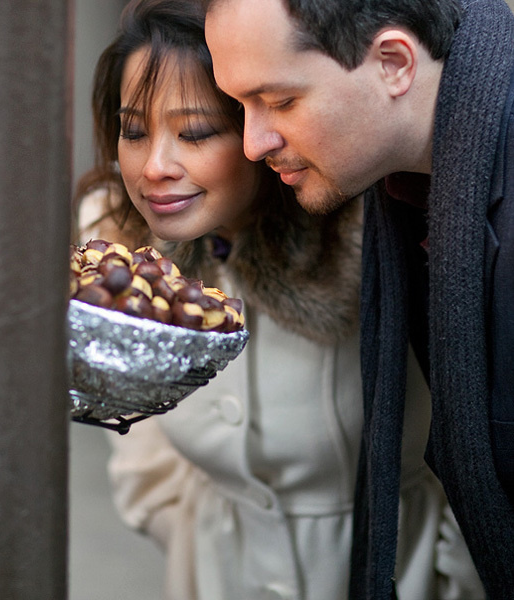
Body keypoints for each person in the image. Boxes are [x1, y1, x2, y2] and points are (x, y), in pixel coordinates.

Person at [76, 0, 483, 598]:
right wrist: (176, 524)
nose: (154, 166)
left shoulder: (377, 240)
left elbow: (471, 436)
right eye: (133, 130)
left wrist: (453, 578)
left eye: (195, 132)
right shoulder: (117, 248)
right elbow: (137, 432)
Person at [203, 0, 514, 596]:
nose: (252, 143)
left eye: (280, 101)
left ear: (394, 63)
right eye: (241, 106)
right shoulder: (415, 187)